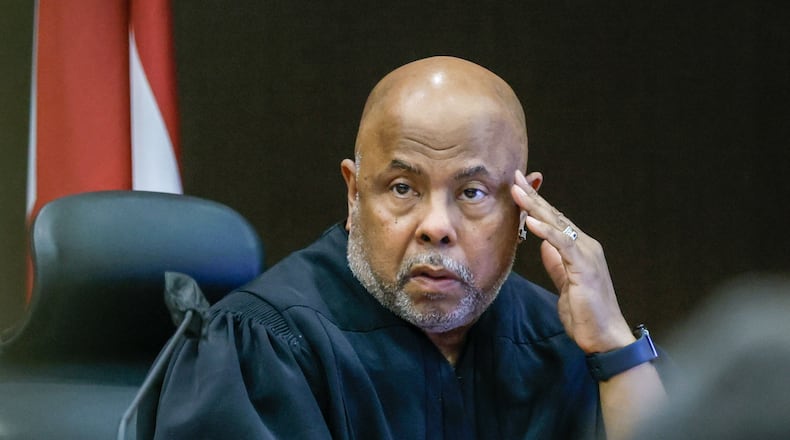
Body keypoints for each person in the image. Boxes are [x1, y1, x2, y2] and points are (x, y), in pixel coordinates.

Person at [150, 56, 665, 439]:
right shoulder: (268, 344)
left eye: (472, 193)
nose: (436, 226)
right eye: (402, 188)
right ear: (354, 193)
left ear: (523, 206)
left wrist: (615, 347)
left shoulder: (561, 341)